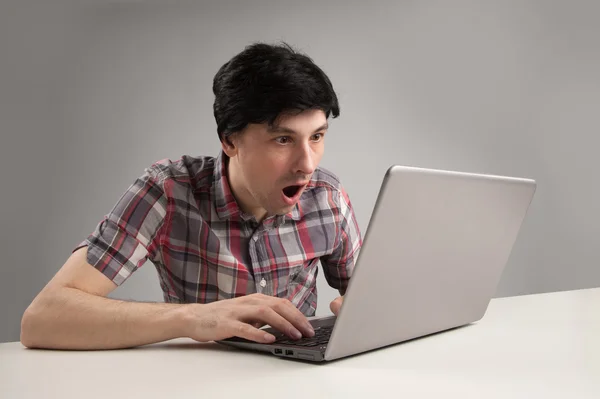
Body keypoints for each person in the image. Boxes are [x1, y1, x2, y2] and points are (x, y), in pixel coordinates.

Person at [20, 42, 362, 350]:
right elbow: (43, 318)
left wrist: (362, 310)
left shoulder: (327, 198)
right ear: (229, 142)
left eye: (316, 137)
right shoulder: (168, 191)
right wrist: (194, 319)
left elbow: (369, 301)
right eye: (283, 140)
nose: (307, 164)